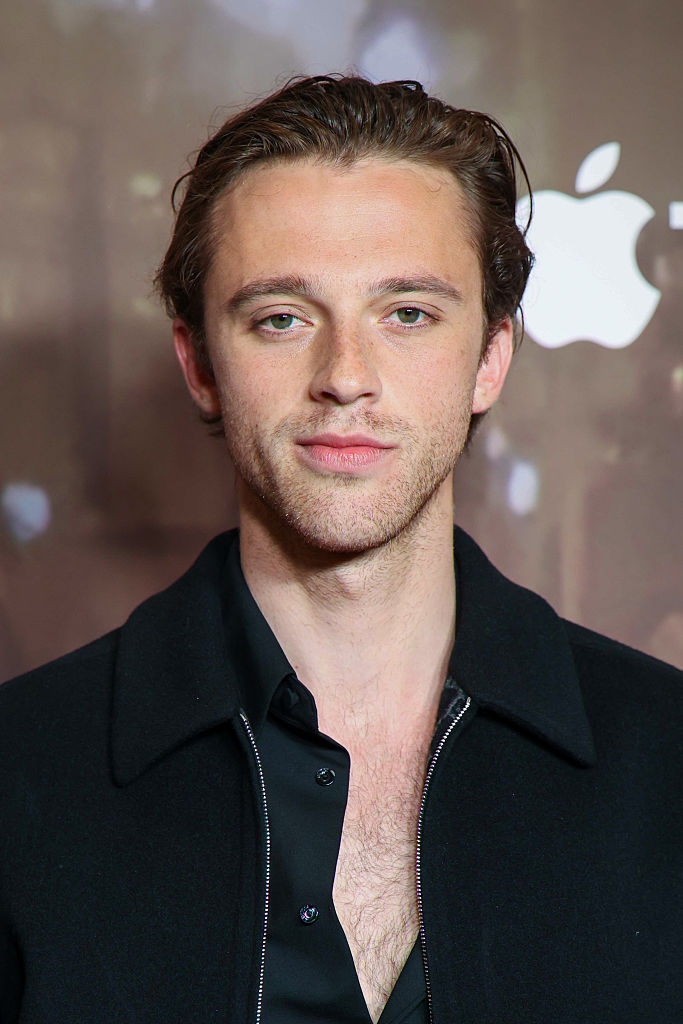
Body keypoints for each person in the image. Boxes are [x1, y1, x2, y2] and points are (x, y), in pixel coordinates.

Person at [0, 75, 680, 1024]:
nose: (345, 378)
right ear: (199, 362)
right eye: (281, 317)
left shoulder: (665, 760)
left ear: (490, 356)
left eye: (406, 313)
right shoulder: (21, 773)